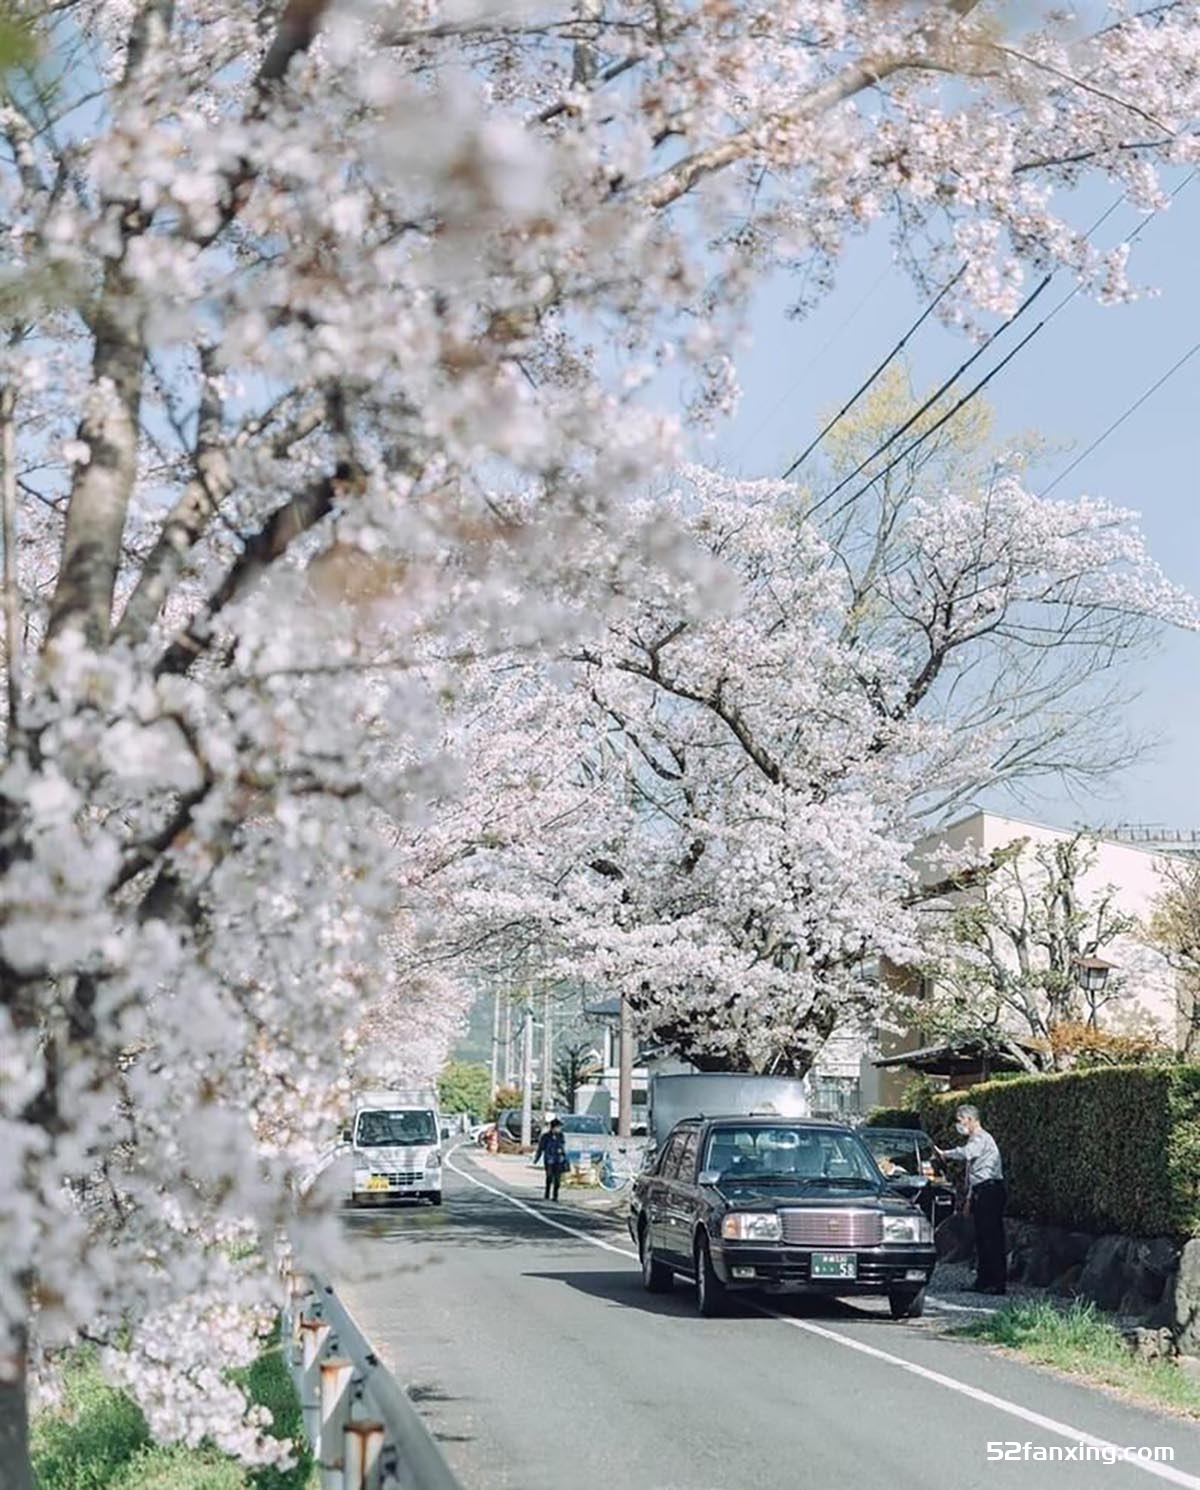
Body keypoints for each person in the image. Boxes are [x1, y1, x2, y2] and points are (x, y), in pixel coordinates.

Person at [934, 1105, 1007, 1294]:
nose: (959, 1125)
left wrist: (945, 1153)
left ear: (970, 1119)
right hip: (981, 1191)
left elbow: (967, 1153)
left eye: (960, 1121)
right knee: (982, 1239)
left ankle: (997, 1283)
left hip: (990, 1190)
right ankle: (984, 1281)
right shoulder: (976, 1139)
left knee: (991, 1238)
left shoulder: (981, 1138)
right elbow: (974, 1175)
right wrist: (969, 1199)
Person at [534, 1118, 570, 1201]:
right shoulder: (545, 1136)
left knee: (557, 1179)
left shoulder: (561, 1136)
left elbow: (563, 1147)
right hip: (549, 1159)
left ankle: (555, 1195)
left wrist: (565, 1158)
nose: (559, 1129)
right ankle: (547, 1193)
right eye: (558, 1127)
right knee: (549, 1176)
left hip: (559, 1159)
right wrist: (537, 1158)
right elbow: (541, 1148)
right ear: (553, 1127)